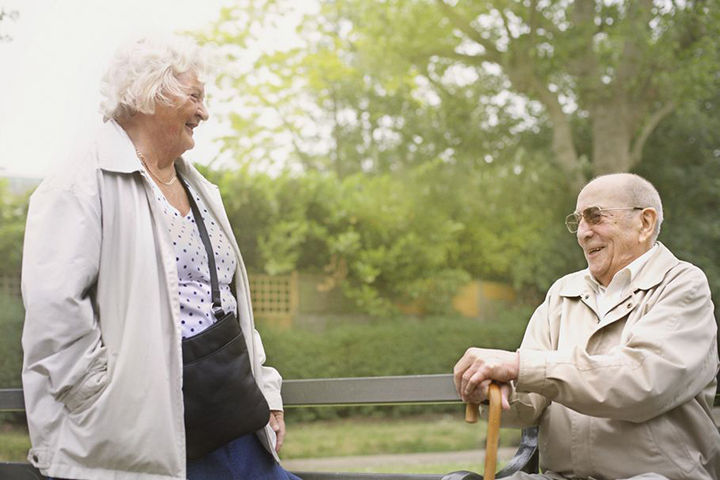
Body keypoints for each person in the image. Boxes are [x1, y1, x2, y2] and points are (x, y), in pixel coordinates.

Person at [21, 36, 301, 480]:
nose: (204, 112)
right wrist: (107, 399)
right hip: (140, 437)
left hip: (231, 422)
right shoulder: (78, 185)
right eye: (195, 96)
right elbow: (53, 311)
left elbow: (226, 302)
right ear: (150, 95)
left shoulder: (204, 191)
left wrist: (265, 390)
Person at [454, 173, 719, 480]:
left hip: (658, 475)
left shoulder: (683, 284)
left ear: (645, 223)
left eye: (595, 217)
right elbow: (527, 404)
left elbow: (641, 382)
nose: (582, 233)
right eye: (577, 221)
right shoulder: (562, 292)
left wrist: (518, 365)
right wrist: (490, 388)